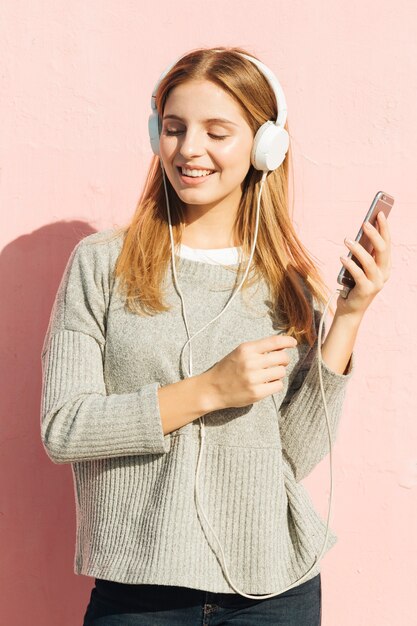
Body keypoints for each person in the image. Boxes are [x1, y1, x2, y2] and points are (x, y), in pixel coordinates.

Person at [40, 46, 391, 625]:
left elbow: (289, 456)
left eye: (217, 132)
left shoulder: (289, 282)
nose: (189, 150)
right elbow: (64, 428)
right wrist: (208, 390)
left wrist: (349, 319)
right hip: (139, 593)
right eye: (174, 129)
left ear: (263, 147)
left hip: (274, 594)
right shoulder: (101, 264)